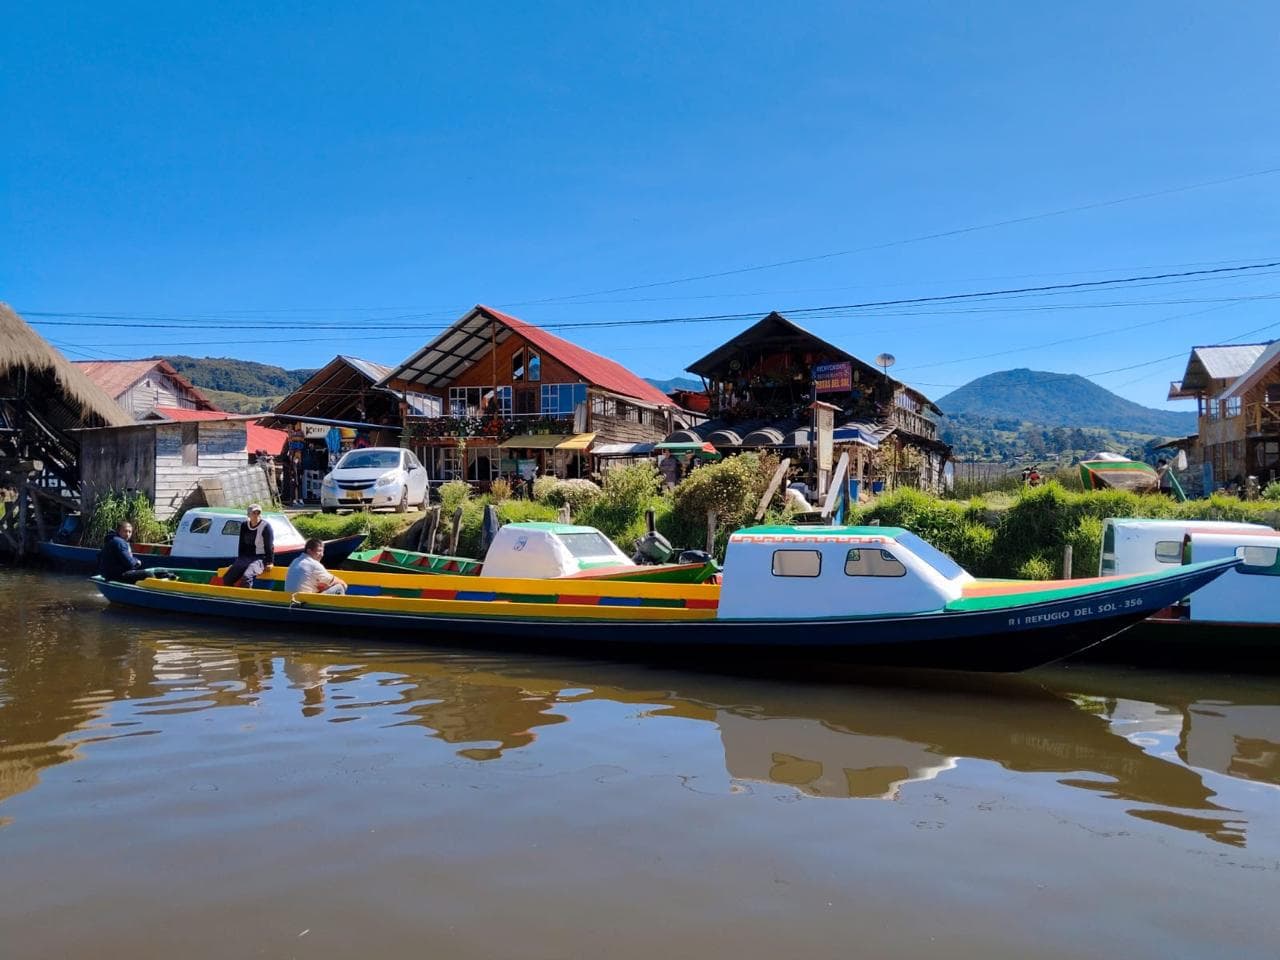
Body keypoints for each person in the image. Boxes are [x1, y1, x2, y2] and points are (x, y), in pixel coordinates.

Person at [224, 504, 275, 588]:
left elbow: (269, 546)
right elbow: (241, 544)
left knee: (246, 577)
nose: (256, 515)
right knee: (227, 578)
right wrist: (238, 561)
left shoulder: (266, 526)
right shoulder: (244, 525)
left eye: (258, 513)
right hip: (245, 557)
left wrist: (270, 562)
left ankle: (246, 599)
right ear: (248, 515)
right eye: (254, 513)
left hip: (260, 558)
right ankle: (233, 597)